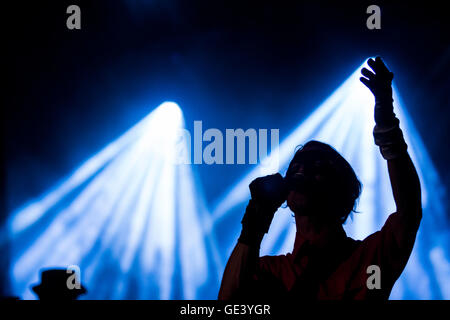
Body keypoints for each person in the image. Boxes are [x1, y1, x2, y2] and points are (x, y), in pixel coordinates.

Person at [218, 57, 422, 300]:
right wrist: (254, 221)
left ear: (342, 192)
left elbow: (409, 212)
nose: (302, 170)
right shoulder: (270, 271)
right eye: (296, 167)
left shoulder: (369, 259)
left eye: (318, 167)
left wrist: (387, 123)